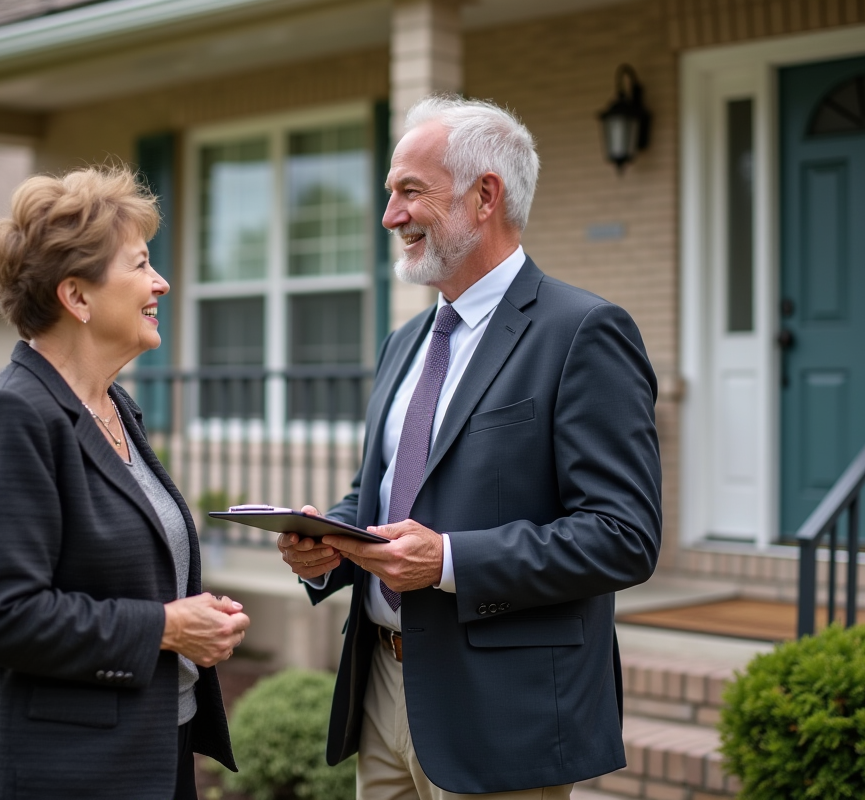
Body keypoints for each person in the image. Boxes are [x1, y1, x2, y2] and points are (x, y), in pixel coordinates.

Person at [277, 95, 662, 799]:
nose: (390, 216)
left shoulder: (583, 332)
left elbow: (623, 536)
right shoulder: (407, 341)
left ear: (485, 195)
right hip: (382, 693)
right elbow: (390, 489)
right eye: (389, 194)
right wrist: (326, 542)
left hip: (500, 716)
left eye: (409, 192)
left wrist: (449, 561)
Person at [0, 165, 249, 800]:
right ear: (76, 297)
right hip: (69, 769)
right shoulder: (14, 416)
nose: (160, 283)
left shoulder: (112, 406)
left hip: (157, 746)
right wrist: (164, 626)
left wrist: (193, 619)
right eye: (138, 266)